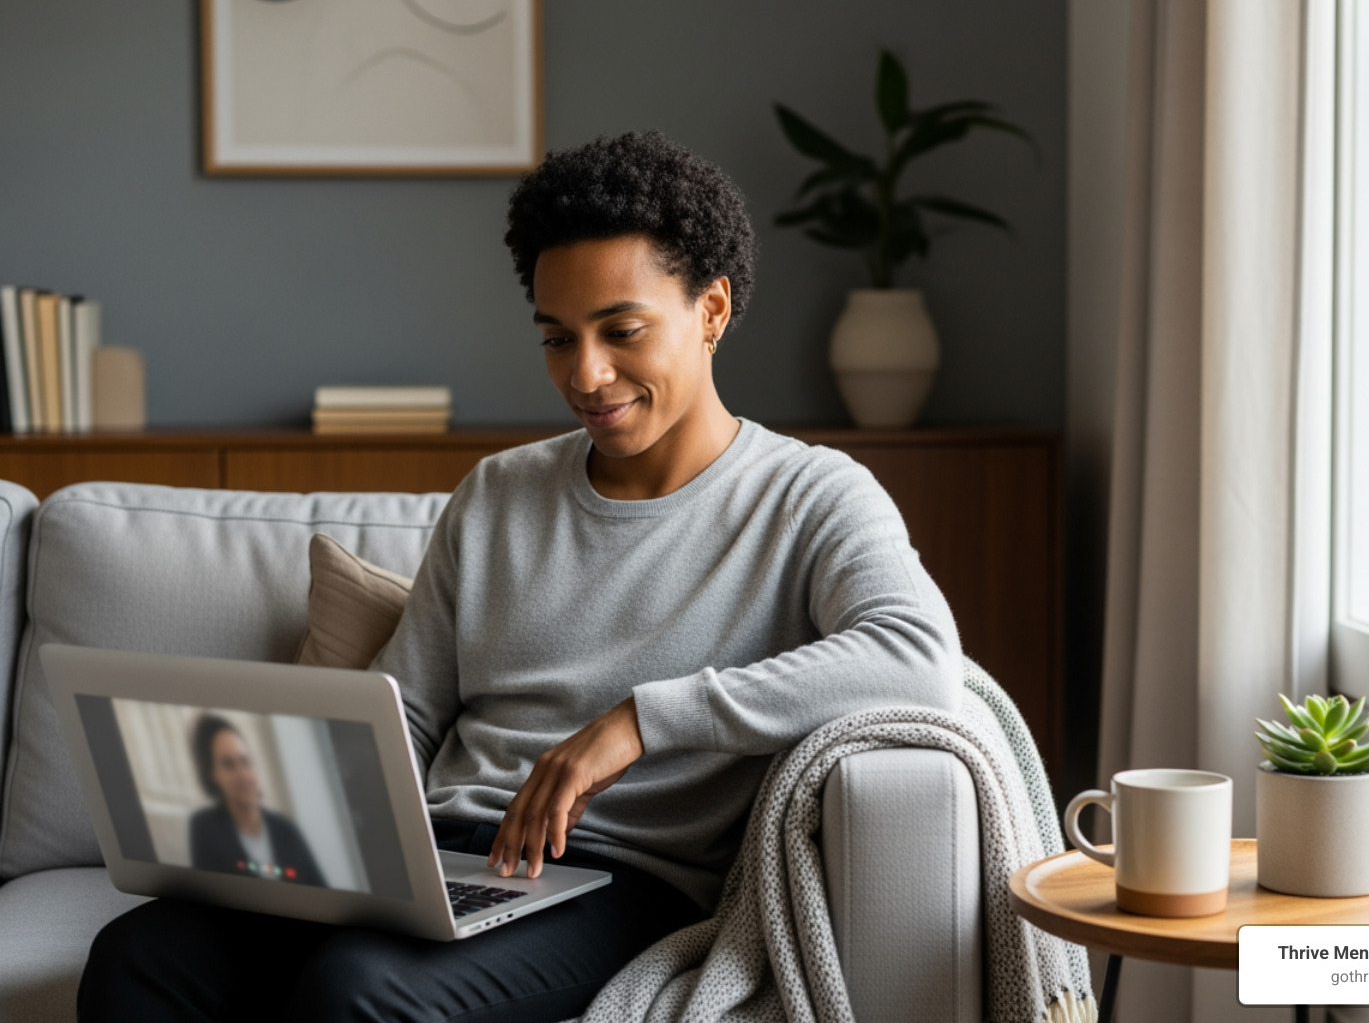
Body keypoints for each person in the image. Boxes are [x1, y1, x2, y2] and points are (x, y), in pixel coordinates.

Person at [79, 131, 961, 1023]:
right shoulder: (499, 491)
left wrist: (638, 722)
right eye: (556, 337)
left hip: (620, 880)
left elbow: (916, 659)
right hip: (439, 855)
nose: (586, 374)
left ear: (712, 310)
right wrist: (302, 824)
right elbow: (409, 707)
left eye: (622, 331)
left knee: (359, 992)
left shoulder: (809, 495)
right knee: (141, 957)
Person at [186, 714, 327, 886]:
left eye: (245, 761)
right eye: (229, 764)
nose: (243, 774)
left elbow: (320, 890)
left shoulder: (287, 831)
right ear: (212, 775)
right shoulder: (204, 828)